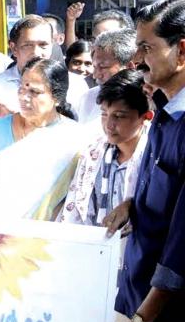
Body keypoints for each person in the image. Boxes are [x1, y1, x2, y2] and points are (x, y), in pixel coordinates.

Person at [100, 0, 185, 322]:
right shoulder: (165, 111)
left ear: (181, 50)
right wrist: (134, 204)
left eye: (147, 47)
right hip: (135, 296)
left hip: (165, 320)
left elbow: (182, 246)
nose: (136, 59)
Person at [0, 57, 81, 220]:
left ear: (57, 97)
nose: (24, 97)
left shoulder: (74, 137)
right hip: (0, 233)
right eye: (22, 88)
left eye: (34, 92)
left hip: (48, 238)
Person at [58, 69, 152, 225]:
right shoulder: (93, 154)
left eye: (119, 116)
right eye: (104, 114)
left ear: (146, 117)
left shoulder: (155, 157)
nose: (109, 125)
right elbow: (75, 213)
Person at [0, 14, 89, 118]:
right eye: (28, 45)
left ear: (52, 45)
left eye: (43, 45)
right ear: (14, 49)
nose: (36, 53)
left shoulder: (75, 85)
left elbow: (81, 130)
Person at [76, 29, 137, 124]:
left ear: (129, 67)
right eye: (94, 66)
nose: (96, 75)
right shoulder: (88, 98)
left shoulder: (149, 102)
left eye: (103, 67)